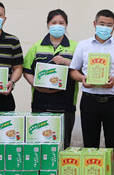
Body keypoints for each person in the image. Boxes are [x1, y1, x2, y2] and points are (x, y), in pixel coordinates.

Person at [69, 9, 114, 175]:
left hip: (113, 102)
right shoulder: (83, 45)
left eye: (109, 25)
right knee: (90, 146)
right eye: (101, 24)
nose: (105, 27)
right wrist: (83, 79)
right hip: (89, 101)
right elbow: (73, 71)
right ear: (94, 24)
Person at [22, 9, 78, 149]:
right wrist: (35, 84)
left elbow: (82, 70)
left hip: (65, 104)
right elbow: (27, 70)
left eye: (61, 23)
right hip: (40, 103)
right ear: (48, 24)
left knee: (63, 144)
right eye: (54, 22)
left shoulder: (75, 47)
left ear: (66, 25)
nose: (57, 26)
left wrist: (67, 62)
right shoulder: (37, 47)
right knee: (39, 144)